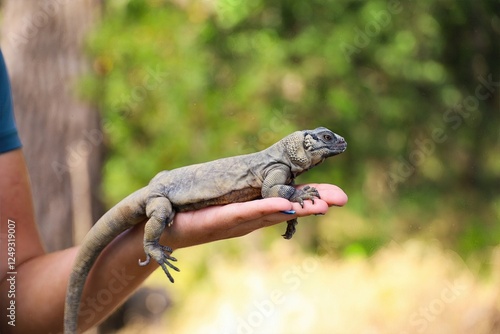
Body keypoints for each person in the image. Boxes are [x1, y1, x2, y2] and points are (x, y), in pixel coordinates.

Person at [0, 49, 348, 333]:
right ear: (301, 147)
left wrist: (290, 210)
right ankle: (152, 242)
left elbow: (12, 302)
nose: (331, 144)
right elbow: (276, 190)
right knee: (162, 215)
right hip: (161, 198)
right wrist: (150, 244)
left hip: (166, 185)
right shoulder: (276, 170)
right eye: (324, 141)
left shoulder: (277, 165)